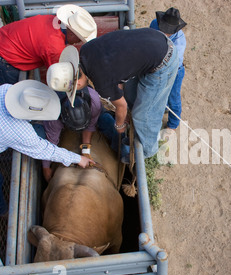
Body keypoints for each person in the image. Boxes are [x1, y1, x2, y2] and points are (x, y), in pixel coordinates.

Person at [48, 27, 179, 159]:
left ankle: (147, 152)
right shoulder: (86, 50)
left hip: (164, 61)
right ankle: (139, 132)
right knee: (131, 97)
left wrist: (120, 125)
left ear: (78, 84)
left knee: (143, 115)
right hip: (154, 38)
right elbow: (114, 67)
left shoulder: (101, 83)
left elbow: (121, 106)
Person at [0, 80, 94, 216]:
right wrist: (78, 158)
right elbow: (45, 150)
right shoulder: (21, 132)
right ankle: (3, 211)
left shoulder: (5, 90)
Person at [42, 46, 102, 181]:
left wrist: (86, 150)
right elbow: (51, 141)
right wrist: (46, 167)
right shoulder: (53, 117)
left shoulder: (94, 100)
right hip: (57, 100)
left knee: (105, 120)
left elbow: (91, 124)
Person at [0, 4, 96, 85]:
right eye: (79, 38)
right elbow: (60, 77)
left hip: (5, 41)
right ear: (72, 33)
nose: (78, 42)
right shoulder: (55, 46)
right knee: (9, 97)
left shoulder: (52, 20)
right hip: (6, 57)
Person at [150, 7, 187, 132]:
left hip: (174, 70)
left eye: (168, 31)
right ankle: (164, 108)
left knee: (173, 97)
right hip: (156, 64)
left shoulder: (179, 40)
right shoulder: (154, 24)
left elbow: (174, 63)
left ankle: (173, 124)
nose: (165, 33)